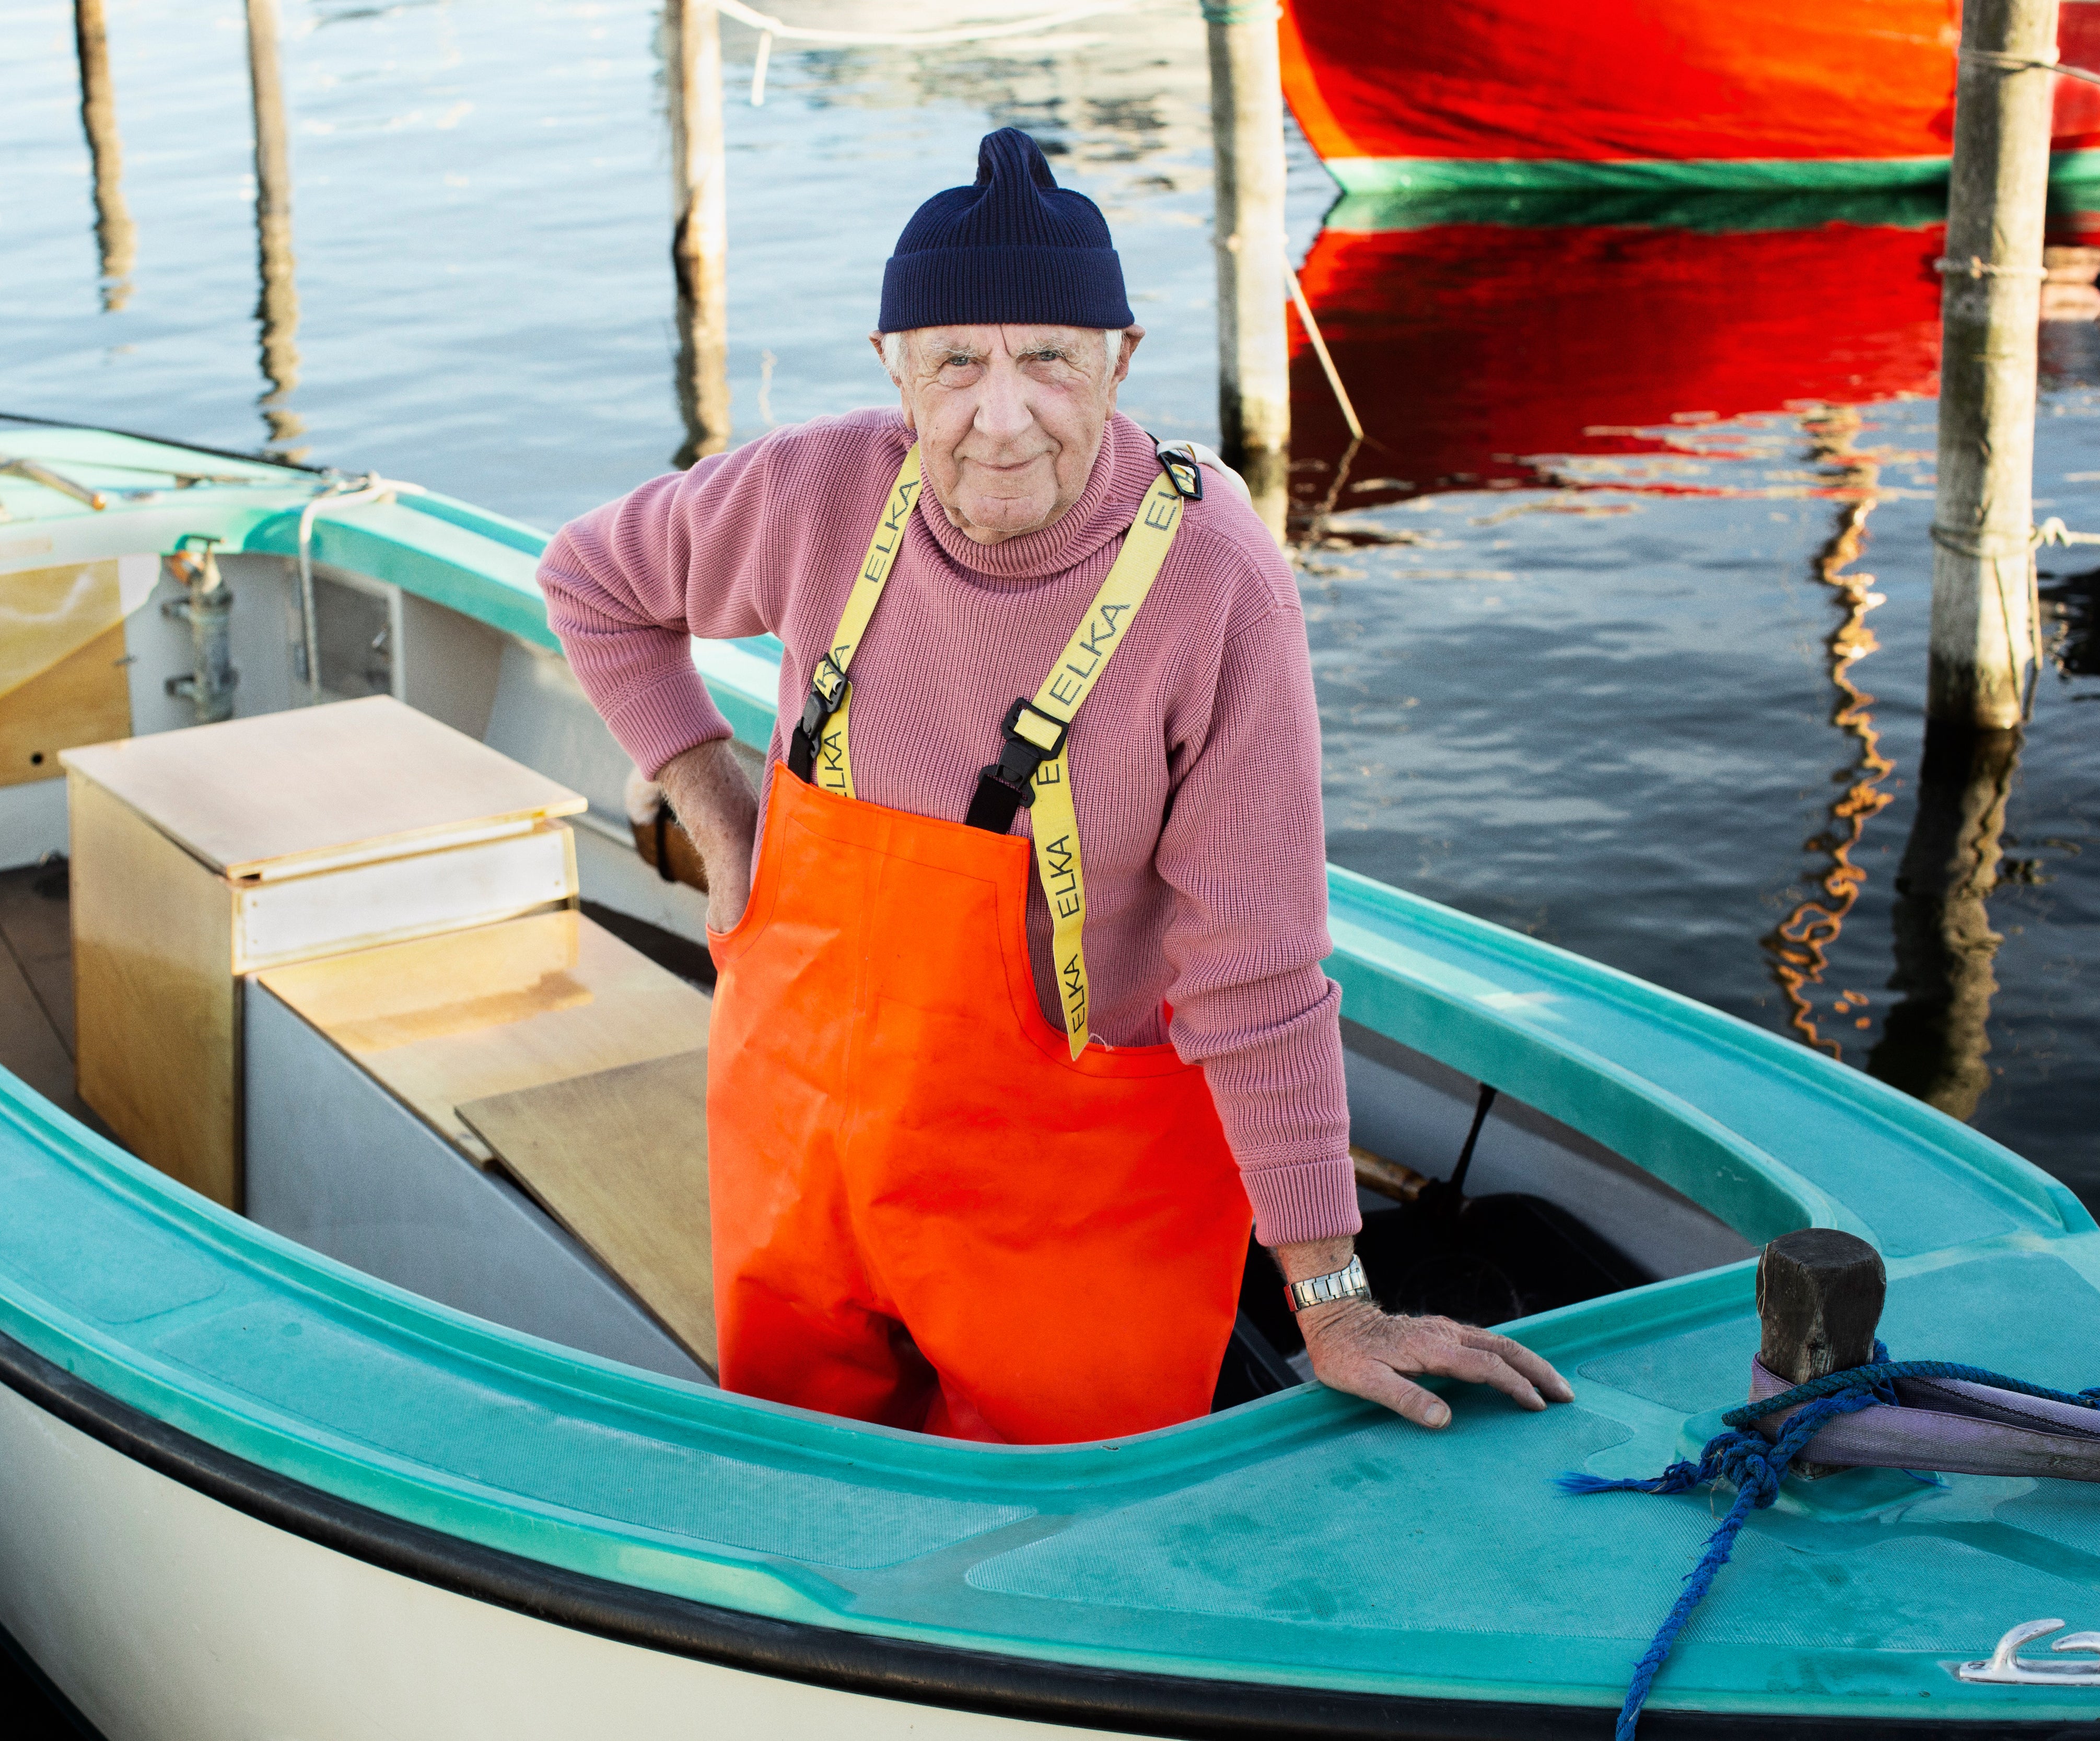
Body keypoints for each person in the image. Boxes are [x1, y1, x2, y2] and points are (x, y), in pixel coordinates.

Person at [538, 127, 1570, 1444]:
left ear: (1121, 361)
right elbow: (592, 585)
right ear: (893, 372)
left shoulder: (1215, 583)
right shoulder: (816, 490)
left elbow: (1252, 973)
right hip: (800, 1145)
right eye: (956, 361)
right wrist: (721, 814)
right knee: (813, 1488)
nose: (1000, 412)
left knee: (1062, 1551)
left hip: (1071, 1201)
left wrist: (1337, 1300)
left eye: (1048, 358)